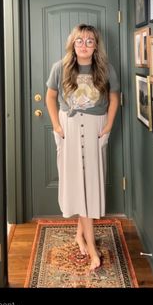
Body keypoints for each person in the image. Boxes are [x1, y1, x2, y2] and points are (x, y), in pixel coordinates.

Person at [46, 24, 120, 271]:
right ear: (73, 43)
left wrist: (108, 126)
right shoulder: (61, 67)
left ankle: (82, 237)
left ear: (96, 45)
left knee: (90, 183)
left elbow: (114, 98)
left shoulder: (106, 68)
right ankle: (90, 246)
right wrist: (56, 125)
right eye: (80, 40)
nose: (85, 45)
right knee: (78, 182)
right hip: (69, 127)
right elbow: (50, 96)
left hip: (95, 128)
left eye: (90, 41)